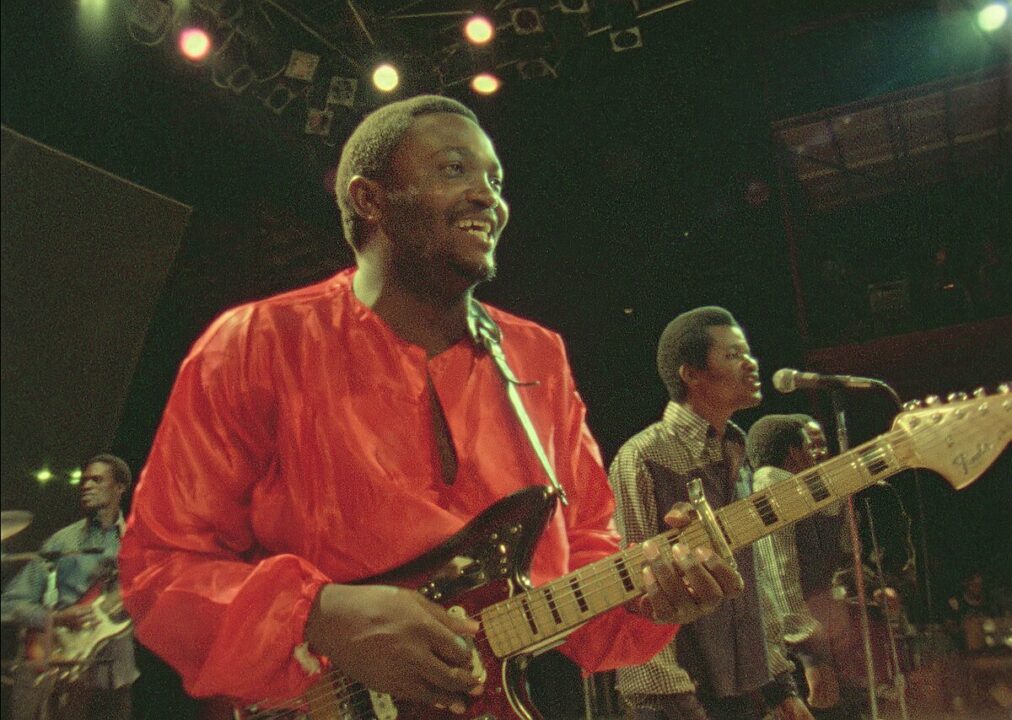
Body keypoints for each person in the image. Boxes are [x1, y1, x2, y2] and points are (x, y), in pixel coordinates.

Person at [117, 95, 742, 718]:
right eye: (453, 170)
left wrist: (646, 599)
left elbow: (580, 551)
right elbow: (161, 569)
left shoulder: (537, 357)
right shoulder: (257, 343)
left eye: (495, 180)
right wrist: (317, 615)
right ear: (370, 199)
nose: (487, 197)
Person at [608, 306, 811, 720]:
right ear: (691, 374)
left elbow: (754, 582)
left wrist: (779, 687)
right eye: (734, 355)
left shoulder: (737, 451)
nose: (751, 363)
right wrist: (672, 704)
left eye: (748, 352)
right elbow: (635, 594)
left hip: (744, 695)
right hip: (677, 700)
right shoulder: (642, 457)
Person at [1, 454, 138, 720]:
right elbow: (8, 603)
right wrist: (56, 618)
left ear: (120, 487)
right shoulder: (61, 542)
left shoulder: (137, 544)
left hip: (114, 674)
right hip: (54, 665)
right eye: (85, 480)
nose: (86, 485)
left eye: (97, 480)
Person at [747, 414, 849, 718]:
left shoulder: (797, 491)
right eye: (812, 445)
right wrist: (811, 654)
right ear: (793, 451)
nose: (821, 453)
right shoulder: (773, 484)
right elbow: (779, 574)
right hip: (790, 645)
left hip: (800, 637)